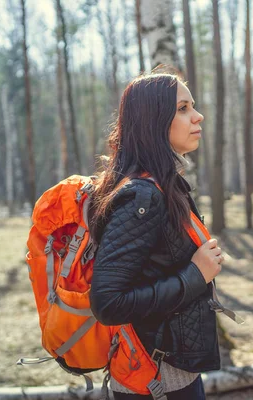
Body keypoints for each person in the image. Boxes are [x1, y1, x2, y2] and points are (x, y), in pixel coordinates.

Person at [88, 70, 223, 400]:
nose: (197, 115)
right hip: (154, 382)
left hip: (171, 371)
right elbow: (108, 303)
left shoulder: (163, 184)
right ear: (153, 120)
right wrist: (195, 275)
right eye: (182, 108)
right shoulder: (143, 196)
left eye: (192, 106)